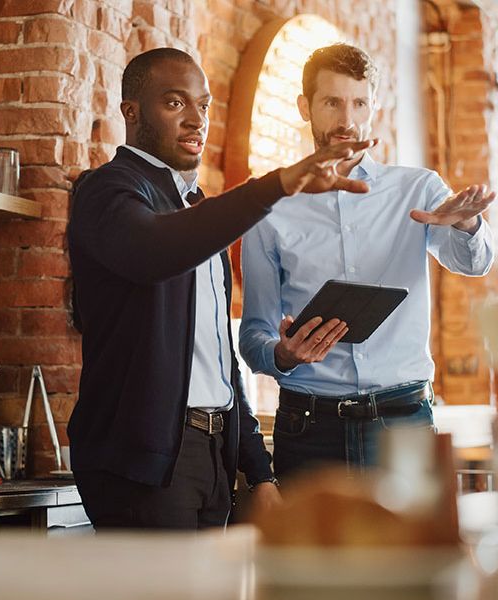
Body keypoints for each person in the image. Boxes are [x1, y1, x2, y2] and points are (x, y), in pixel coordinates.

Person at [66, 48, 375, 530]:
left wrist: (258, 470)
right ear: (131, 112)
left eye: (204, 106)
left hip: (211, 458)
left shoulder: (195, 207)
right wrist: (275, 186)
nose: (196, 120)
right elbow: (153, 251)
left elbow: (217, 359)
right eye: (175, 104)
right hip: (143, 468)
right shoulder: (106, 190)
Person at [239, 44, 496, 478]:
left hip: (403, 423)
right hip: (309, 428)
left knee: (412, 549)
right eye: (332, 103)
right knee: (308, 550)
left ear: (372, 106)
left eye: (359, 103)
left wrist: (467, 225)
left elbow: (475, 264)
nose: (347, 120)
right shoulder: (272, 204)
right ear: (305, 107)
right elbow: (254, 336)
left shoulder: (418, 189)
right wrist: (282, 354)